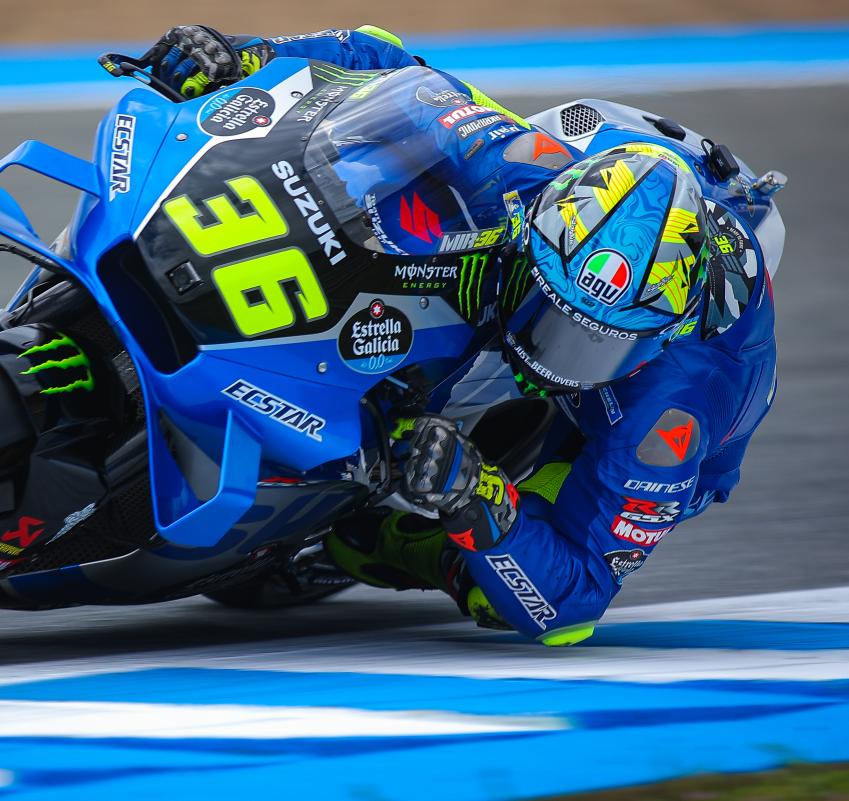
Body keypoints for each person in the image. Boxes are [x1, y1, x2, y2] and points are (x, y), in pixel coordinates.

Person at [140, 25, 778, 645]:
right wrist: (249, 56)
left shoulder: (673, 412)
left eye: (599, 344)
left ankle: (364, 544)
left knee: (497, 586)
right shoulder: (527, 169)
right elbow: (387, 64)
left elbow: (575, 599)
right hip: (597, 161)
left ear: (663, 332)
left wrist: (479, 500)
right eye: (551, 316)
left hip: (624, 421)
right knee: (395, 187)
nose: (560, 357)